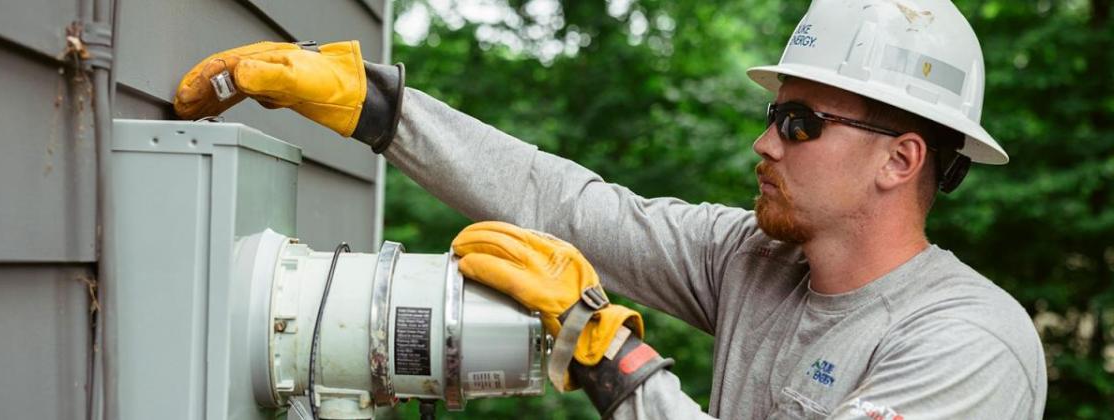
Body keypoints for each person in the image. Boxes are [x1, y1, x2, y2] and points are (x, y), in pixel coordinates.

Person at [174, 0, 1046, 418]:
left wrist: (611, 359)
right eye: (773, 116)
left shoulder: (967, 348)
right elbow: (571, 208)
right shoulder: (755, 259)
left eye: (800, 123)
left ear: (902, 159)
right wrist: (380, 108)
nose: (766, 145)